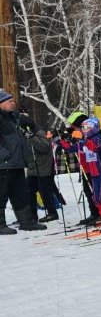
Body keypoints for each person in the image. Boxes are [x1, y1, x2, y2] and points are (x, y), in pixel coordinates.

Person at [0, 90, 46, 234]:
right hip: (3, 164)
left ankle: (26, 222)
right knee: (1, 194)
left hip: (18, 163)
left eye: (13, 100)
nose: (13, 103)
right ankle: (1, 225)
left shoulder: (14, 118)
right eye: (9, 101)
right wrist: (5, 155)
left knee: (20, 193)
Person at [21, 116, 60, 223]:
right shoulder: (24, 134)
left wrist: (31, 137)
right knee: (29, 192)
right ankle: (32, 215)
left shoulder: (40, 132)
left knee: (45, 192)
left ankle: (52, 213)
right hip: (32, 167)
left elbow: (44, 147)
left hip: (43, 168)